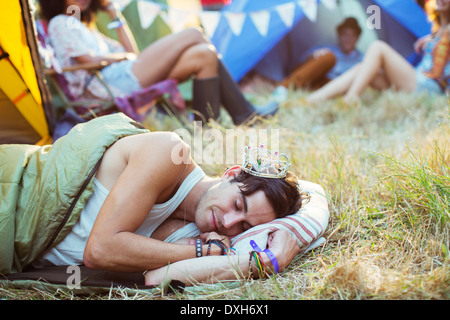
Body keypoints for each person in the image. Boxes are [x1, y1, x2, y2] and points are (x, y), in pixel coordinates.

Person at [38, 0, 277, 125]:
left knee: (204, 54)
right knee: (194, 33)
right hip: (107, 84)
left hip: (121, 74)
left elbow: (130, 51)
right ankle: (244, 114)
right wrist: (121, 58)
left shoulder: (83, 26)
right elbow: (88, 59)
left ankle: (206, 130)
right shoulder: (61, 21)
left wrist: (115, 15)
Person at [306, 0, 450, 105]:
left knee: (378, 47)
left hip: (427, 87)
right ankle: (310, 101)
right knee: (361, 69)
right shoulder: (437, 31)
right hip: (416, 82)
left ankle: (351, 98)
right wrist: (431, 39)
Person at [282, 17, 363, 90]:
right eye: (345, 34)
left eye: (352, 35)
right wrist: (313, 56)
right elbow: (300, 62)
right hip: (313, 77)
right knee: (329, 57)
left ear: (357, 38)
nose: (348, 39)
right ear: (339, 35)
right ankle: (285, 87)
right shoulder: (327, 49)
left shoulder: (362, 59)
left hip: (334, 85)